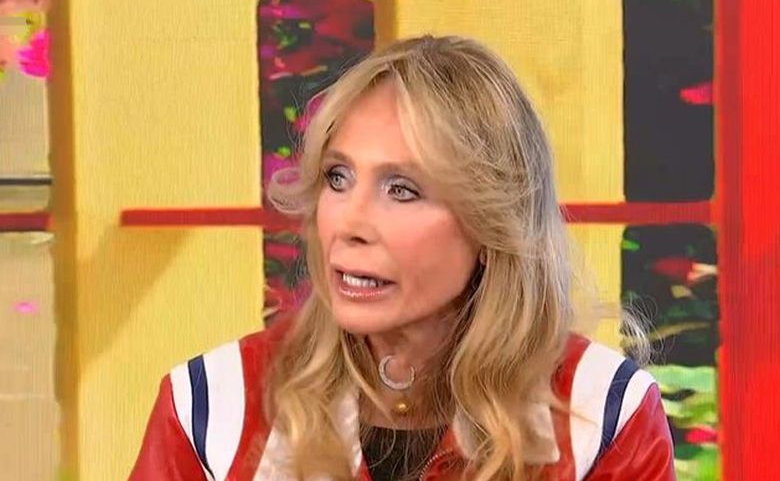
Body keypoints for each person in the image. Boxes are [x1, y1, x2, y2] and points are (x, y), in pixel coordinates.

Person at [130, 35, 675, 481]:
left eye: (402, 190)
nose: (349, 224)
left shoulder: (603, 414)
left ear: (493, 226)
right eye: (338, 178)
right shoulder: (210, 407)